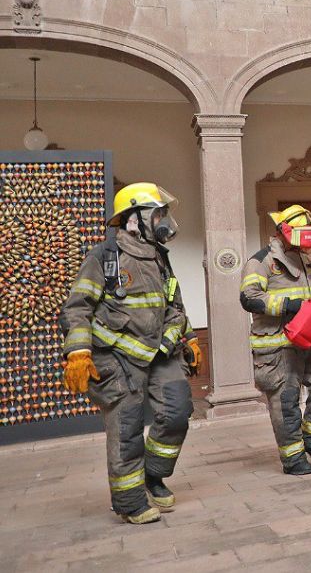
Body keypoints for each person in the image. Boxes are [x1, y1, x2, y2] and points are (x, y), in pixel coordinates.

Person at [60, 182, 201, 524]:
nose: (166, 220)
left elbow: (175, 306)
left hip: (160, 354)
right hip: (117, 358)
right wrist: (78, 352)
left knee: (178, 412)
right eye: (160, 213)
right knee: (126, 428)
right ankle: (129, 500)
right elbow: (77, 308)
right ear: (135, 219)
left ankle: (152, 474)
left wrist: (189, 338)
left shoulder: (160, 258)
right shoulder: (103, 258)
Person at [240, 204, 311, 475]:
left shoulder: (306, 259)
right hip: (276, 344)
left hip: (310, 339)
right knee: (287, 399)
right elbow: (249, 298)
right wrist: (288, 304)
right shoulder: (261, 261)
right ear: (284, 232)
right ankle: (293, 457)